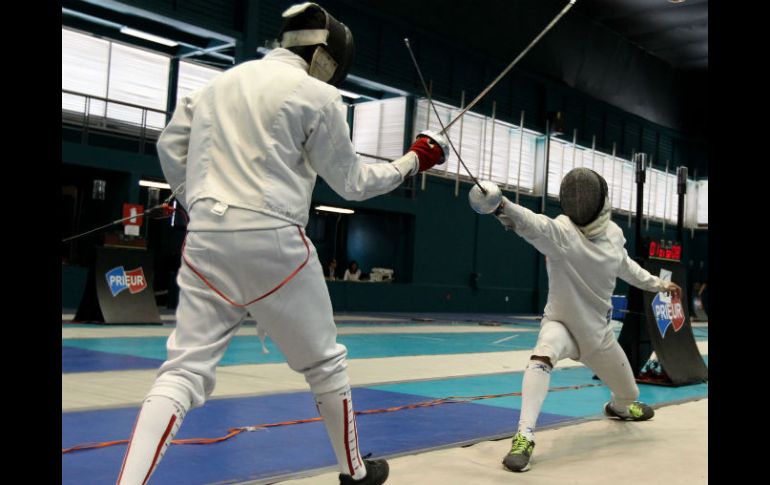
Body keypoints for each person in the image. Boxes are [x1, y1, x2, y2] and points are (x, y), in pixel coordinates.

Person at [115, 3, 447, 485]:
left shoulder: (215, 86)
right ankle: (354, 472)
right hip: (274, 241)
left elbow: (170, 147)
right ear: (326, 58)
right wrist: (414, 160)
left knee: (183, 371)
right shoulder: (318, 96)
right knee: (325, 363)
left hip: (206, 239)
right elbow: (353, 182)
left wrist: (196, 200)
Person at [475, 167, 681, 472]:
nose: (580, 200)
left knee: (630, 393)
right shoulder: (561, 232)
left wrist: (660, 284)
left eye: (585, 195)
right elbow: (531, 223)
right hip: (562, 325)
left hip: (599, 336)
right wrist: (501, 205)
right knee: (543, 353)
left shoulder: (614, 236)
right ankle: (524, 436)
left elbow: (628, 268)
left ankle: (620, 407)